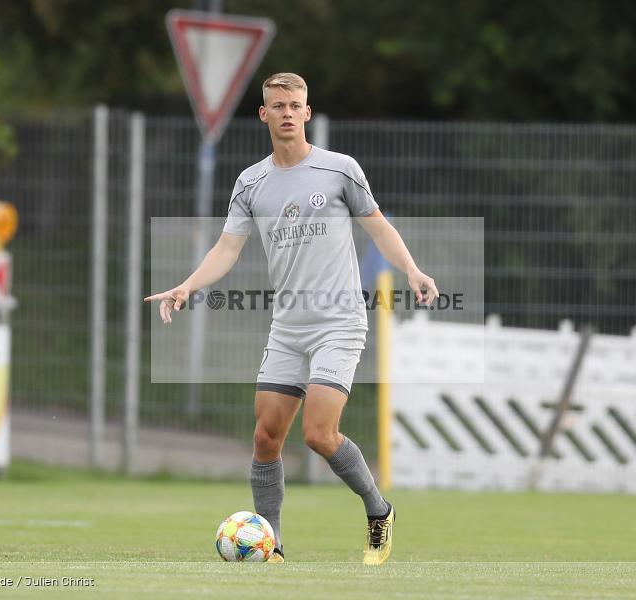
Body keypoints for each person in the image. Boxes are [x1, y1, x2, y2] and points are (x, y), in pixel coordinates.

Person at [145, 73, 437, 565]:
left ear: (306, 111)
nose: (285, 112)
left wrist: (411, 269)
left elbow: (378, 226)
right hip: (288, 327)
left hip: (339, 323)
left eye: (294, 104)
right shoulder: (250, 182)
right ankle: (272, 544)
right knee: (265, 437)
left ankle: (378, 509)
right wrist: (187, 285)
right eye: (276, 104)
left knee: (319, 435)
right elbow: (227, 248)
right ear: (263, 114)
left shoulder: (340, 169)